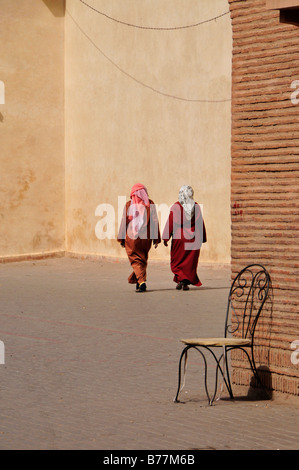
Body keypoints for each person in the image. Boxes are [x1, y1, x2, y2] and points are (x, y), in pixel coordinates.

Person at [117, 183, 161, 292]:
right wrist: (156, 239)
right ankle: (138, 280)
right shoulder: (150, 204)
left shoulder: (128, 205)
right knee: (142, 259)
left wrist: (122, 238)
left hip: (132, 238)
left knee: (135, 260)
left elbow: (124, 221)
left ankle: (141, 282)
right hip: (146, 239)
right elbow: (154, 221)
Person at [162, 185, 207, 290]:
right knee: (189, 263)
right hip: (193, 238)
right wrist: (203, 238)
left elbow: (170, 223)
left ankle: (182, 281)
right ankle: (184, 282)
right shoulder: (196, 206)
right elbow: (200, 222)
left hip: (179, 238)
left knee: (178, 261)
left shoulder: (176, 206)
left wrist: (165, 237)